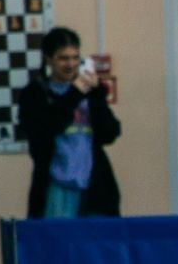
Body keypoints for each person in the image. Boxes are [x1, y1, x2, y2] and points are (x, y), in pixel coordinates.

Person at [19, 27, 122, 218]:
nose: (70, 64)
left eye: (75, 58)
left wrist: (97, 95)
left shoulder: (90, 92)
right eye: (63, 58)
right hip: (55, 185)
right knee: (57, 236)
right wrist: (74, 94)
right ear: (48, 59)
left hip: (95, 184)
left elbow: (110, 134)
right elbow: (44, 131)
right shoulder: (33, 94)